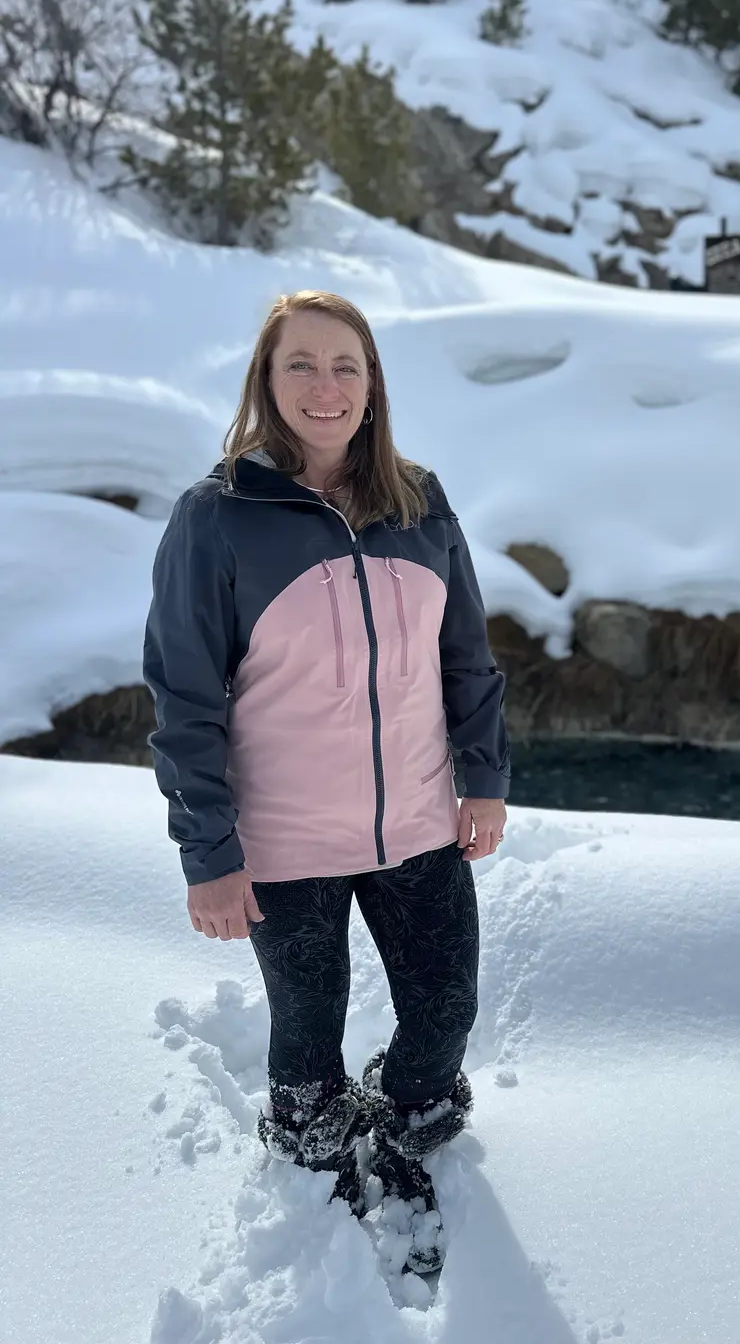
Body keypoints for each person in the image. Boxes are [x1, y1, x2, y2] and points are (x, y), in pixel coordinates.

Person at [142, 290, 510, 1274]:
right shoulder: (217, 518)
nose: (326, 385)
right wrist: (209, 854)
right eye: (301, 363)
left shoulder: (420, 503)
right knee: (307, 1030)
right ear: (267, 381)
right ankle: (315, 1165)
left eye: (346, 365)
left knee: (446, 1012)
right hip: (288, 841)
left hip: (425, 827)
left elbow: (465, 661)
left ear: (373, 383)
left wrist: (484, 781)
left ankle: (403, 1125)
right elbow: (184, 698)